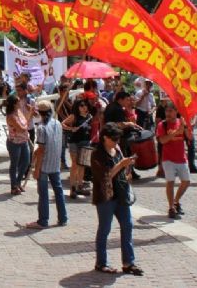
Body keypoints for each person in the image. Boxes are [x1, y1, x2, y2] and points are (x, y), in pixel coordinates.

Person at [91, 123, 143, 276]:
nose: (116, 142)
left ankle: (128, 262)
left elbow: (121, 171)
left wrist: (127, 171)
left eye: (118, 139)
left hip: (120, 194)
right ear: (105, 138)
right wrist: (121, 164)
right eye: (113, 139)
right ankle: (101, 263)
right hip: (105, 196)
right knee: (105, 229)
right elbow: (104, 177)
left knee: (127, 225)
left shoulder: (117, 149)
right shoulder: (97, 154)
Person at [27, 101, 68, 228]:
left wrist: (36, 168)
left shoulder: (41, 128)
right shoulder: (58, 124)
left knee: (43, 193)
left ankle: (43, 220)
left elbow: (42, 150)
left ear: (40, 112)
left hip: (45, 164)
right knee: (58, 191)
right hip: (55, 163)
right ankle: (63, 218)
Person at [156, 101, 191, 219]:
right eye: (166, 111)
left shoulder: (181, 122)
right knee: (170, 182)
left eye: (170, 111)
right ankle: (171, 207)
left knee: (186, 182)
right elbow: (162, 141)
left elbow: (190, 138)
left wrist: (185, 127)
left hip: (181, 157)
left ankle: (176, 201)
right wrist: (175, 132)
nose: (168, 114)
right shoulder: (162, 125)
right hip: (168, 158)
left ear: (176, 112)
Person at [103, 91, 142, 179]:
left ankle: (128, 172)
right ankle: (124, 174)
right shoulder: (118, 109)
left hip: (109, 135)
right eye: (127, 100)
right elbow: (119, 124)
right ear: (120, 99)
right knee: (123, 155)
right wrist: (129, 124)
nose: (128, 102)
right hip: (117, 137)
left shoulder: (110, 106)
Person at [62, 99, 93, 198]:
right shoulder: (74, 116)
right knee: (75, 164)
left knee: (82, 165)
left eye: (85, 105)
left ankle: (80, 186)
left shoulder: (89, 117)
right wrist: (71, 129)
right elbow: (62, 124)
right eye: (81, 105)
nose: (84, 107)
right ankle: (72, 188)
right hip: (74, 142)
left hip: (86, 142)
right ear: (77, 107)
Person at [2, 94, 32, 195]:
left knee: (26, 162)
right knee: (14, 164)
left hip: (23, 141)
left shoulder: (18, 111)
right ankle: (13, 186)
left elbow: (25, 122)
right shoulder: (11, 116)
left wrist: (30, 113)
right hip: (14, 143)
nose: (20, 102)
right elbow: (21, 128)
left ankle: (18, 182)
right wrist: (27, 123)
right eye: (18, 101)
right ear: (14, 104)